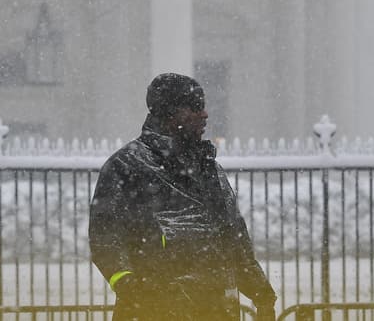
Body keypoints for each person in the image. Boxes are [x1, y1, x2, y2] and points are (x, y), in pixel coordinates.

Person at [89, 72, 277, 320]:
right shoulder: (127, 166)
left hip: (216, 311)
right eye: (196, 107)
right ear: (170, 113)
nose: (205, 114)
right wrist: (131, 286)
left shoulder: (209, 168)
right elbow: (105, 237)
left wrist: (261, 293)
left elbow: (233, 237)